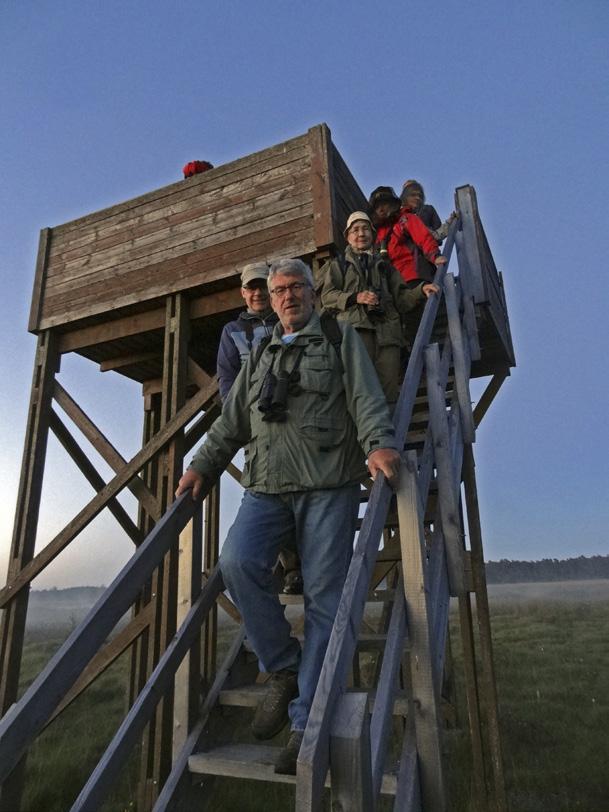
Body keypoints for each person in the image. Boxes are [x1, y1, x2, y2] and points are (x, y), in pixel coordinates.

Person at [176, 258, 401, 775]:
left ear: (312, 293)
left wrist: (380, 443)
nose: (286, 296)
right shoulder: (259, 355)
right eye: (278, 290)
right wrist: (201, 466)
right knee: (235, 563)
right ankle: (282, 666)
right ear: (269, 299)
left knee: (324, 600)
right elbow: (231, 422)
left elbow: (367, 398)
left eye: (296, 286)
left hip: (327, 487)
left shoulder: (339, 339)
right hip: (266, 488)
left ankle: (304, 724)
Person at [216, 262, 302, 594]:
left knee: (301, 489)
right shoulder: (231, 331)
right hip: (257, 427)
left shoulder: (289, 321)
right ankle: (289, 567)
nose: (256, 293)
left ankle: (305, 565)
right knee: (270, 493)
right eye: (249, 288)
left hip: (294, 419)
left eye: (261, 287)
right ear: (242, 293)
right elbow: (226, 380)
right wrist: (240, 416)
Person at [320, 211, 439, 407]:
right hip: (356, 331)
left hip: (388, 335)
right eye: (355, 230)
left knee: (388, 390)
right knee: (358, 388)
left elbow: (402, 300)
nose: (361, 233)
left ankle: (388, 434)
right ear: (348, 236)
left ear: (373, 235)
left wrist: (420, 290)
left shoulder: (386, 267)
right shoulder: (338, 265)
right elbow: (327, 296)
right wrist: (355, 297)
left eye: (366, 229)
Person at [368, 186, 447, 287]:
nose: (381, 209)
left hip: (415, 278)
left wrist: (435, 255)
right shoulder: (377, 234)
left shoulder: (405, 219)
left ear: (392, 204)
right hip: (393, 285)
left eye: (384, 204)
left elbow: (423, 237)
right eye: (377, 207)